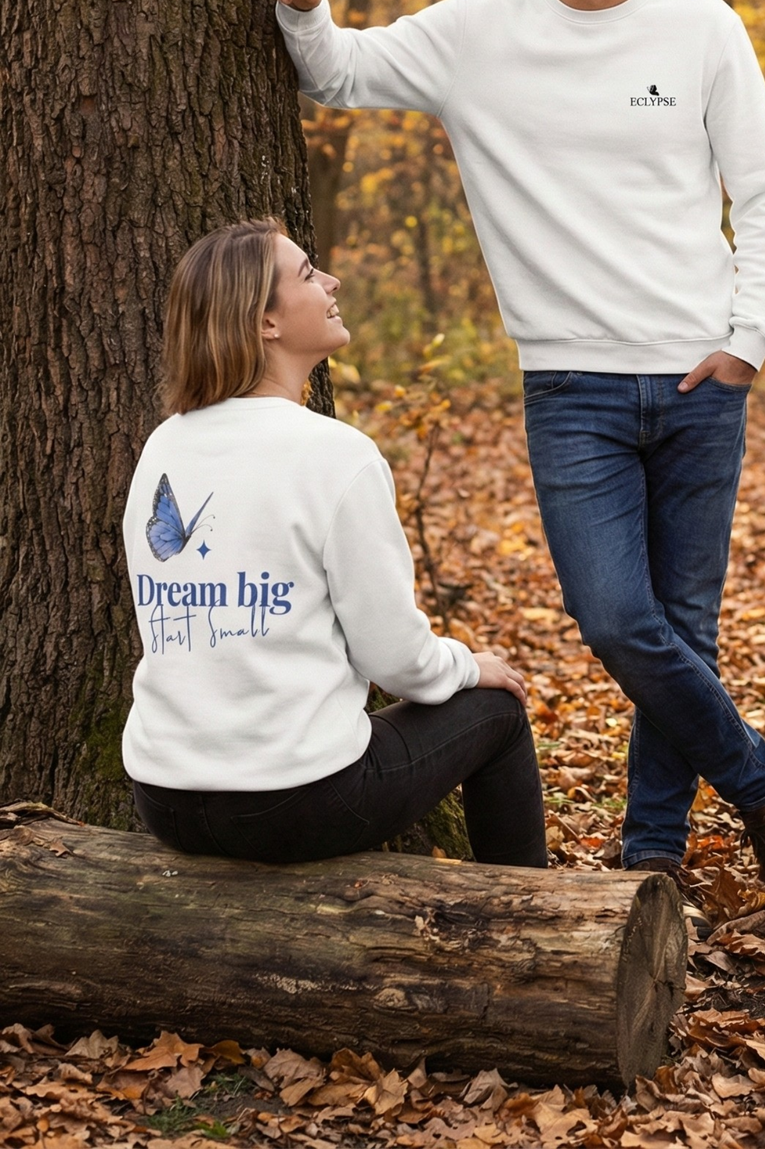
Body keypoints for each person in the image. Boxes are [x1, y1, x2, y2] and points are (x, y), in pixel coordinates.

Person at [263, 0, 765, 919]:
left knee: (681, 627)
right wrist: (302, 2)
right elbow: (341, 73)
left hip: (703, 380)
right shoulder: (483, 31)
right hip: (573, 387)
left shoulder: (701, 25)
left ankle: (653, 850)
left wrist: (750, 338)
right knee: (619, 620)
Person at [124, 219, 547, 868]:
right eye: (306, 275)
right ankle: (527, 926)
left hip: (164, 797)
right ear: (265, 322)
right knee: (498, 713)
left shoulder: (164, 446)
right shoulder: (335, 453)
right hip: (293, 804)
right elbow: (394, 657)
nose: (331, 281)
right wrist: (468, 665)